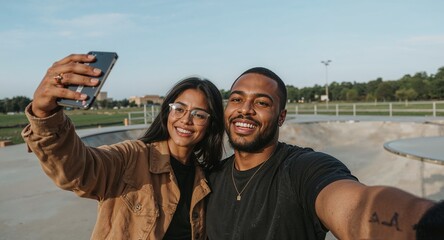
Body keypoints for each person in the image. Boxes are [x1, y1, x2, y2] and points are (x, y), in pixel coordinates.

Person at [206, 67, 442, 239]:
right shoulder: (211, 179)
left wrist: (428, 224)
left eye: (262, 103)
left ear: (281, 117)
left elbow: (357, 207)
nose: (245, 110)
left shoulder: (303, 169)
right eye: (237, 99)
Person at [22, 53, 225, 240]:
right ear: (167, 112)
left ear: (210, 124)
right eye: (179, 109)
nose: (186, 120)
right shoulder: (131, 157)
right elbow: (78, 169)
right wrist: (44, 115)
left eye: (199, 114)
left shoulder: (205, 180)